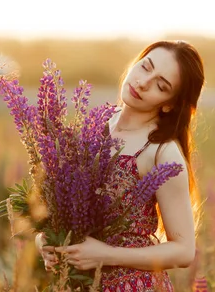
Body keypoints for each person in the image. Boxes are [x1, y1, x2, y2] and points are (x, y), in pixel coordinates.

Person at [35, 40, 205, 291]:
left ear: (169, 104)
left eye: (161, 85)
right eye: (145, 67)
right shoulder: (95, 123)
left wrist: (106, 255)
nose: (143, 83)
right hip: (78, 283)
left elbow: (183, 251)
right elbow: (57, 211)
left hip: (132, 285)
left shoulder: (161, 152)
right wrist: (45, 242)